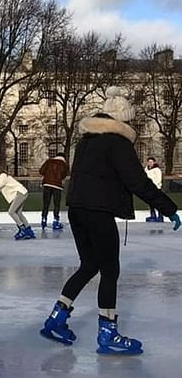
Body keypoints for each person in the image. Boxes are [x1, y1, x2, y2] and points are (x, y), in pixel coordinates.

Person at [40, 87, 180, 355]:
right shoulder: (117, 142)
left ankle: (56, 318)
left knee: (89, 265)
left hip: (77, 209)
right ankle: (107, 333)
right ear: (121, 119)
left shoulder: (86, 140)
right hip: (98, 211)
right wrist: (168, 208)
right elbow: (137, 181)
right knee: (110, 270)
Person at [0, 164, 34, 240]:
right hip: (20, 193)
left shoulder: (3, 176)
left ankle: (23, 229)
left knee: (11, 212)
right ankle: (29, 230)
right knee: (18, 213)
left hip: (20, 193)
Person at [40, 152, 69, 230]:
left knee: (46, 204)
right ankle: (56, 221)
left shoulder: (49, 162)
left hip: (47, 184)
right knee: (56, 204)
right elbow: (64, 175)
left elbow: (41, 171)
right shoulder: (64, 165)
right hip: (57, 186)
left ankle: (43, 219)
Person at [145, 158, 164, 222]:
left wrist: (153, 186)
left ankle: (160, 216)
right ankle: (153, 215)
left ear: (154, 162)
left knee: (158, 203)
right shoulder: (146, 169)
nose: (150, 163)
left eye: (151, 162)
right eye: (149, 162)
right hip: (148, 189)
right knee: (151, 203)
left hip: (156, 188)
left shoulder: (157, 170)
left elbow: (159, 179)